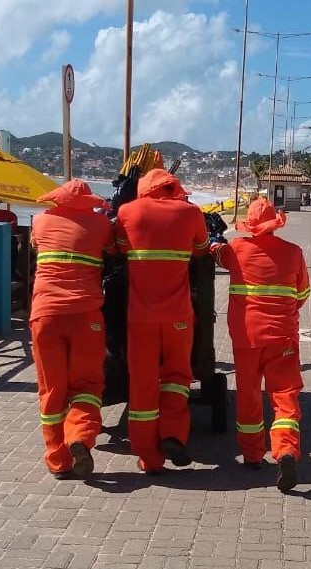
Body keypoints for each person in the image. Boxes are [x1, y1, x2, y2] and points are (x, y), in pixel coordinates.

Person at [209, 197, 310, 492]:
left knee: (249, 396)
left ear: (250, 225)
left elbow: (214, 253)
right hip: (282, 337)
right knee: (284, 396)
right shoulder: (294, 253)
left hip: (246, 338)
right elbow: (302, 294)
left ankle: (253, 456)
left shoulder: (237, 250)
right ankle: (286, 451)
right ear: (275, 225)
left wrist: (214, 242)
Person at [115, 168, 209, 474]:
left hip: (140, 318)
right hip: (178, 317)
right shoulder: (191, 213)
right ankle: (172, 434)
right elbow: (201, 249)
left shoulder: (127, 212)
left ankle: (148, 457)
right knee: (177, 378)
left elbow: (118, 248)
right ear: (174, 187)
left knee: (143, 383)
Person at [29, 180, 115, 479]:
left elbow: (35, 246)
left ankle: (58, 460)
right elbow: (114, 249)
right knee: (88, 385)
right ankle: (80, 436)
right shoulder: (101, 223)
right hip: (86, 316)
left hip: (46, 315)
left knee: (52, 390)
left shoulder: (40, 222)